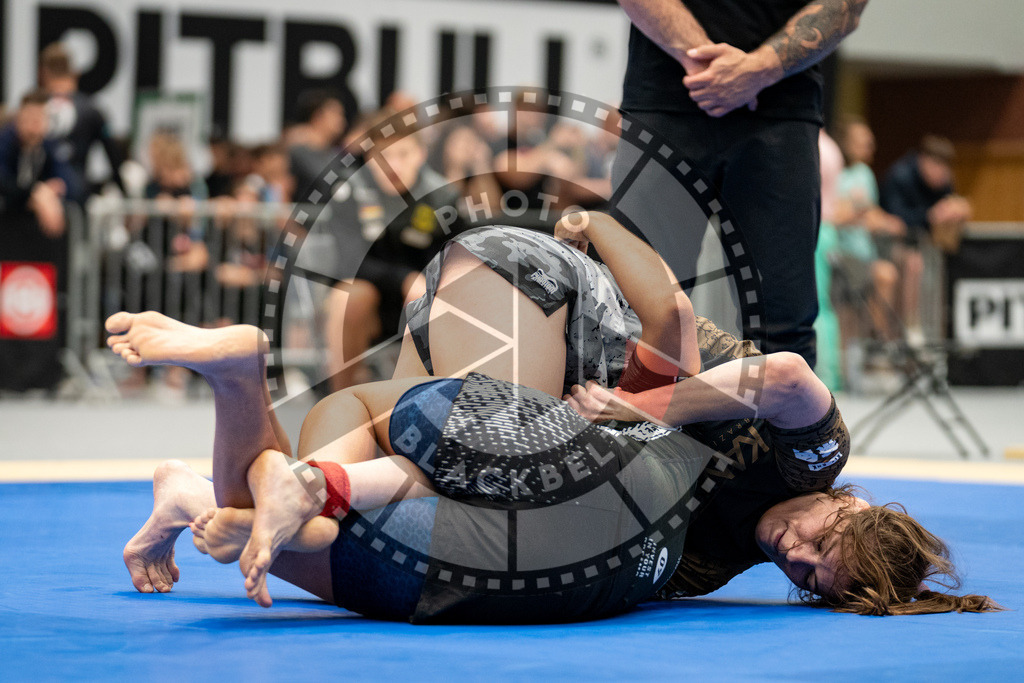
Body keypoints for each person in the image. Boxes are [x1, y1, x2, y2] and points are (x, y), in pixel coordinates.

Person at [117, 212, 996, 618]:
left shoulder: (711, 555)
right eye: (818, 544)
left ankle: (215, 476)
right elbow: (783, 371)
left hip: (496, 357)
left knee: (386, 473)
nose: (792, 557)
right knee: (454, 450)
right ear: (846, 503)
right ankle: (274, 476)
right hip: (546, 297)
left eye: (807, 580)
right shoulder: (811, 464)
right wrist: (594, 230)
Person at [613, 0, 870, 368]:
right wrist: (714, 67)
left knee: (781, 327)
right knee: (636, 315)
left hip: (781, 110)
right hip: (664, 102)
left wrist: (759, 69)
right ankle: (633, 424)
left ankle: (782, 427)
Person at [880, 135, 971, 341]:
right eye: (937, 165)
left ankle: (929, 331)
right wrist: (931, 215)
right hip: (890, 246)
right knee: (913, 264)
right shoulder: (900, 175)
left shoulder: (944, 181)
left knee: (928, 265)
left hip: (926, 247)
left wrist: (955, 212)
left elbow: (948, 206)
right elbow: (895, 218)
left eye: (945, 167)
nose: (942, 173)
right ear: (924, 160)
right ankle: (910, 328)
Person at [37, 43, 124, 203]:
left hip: (39, 199)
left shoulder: (35, 109)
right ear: (74, 73)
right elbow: (113, 156)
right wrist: (125, 193)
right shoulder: (91, 110)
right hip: (77, 195)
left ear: (43, 73)